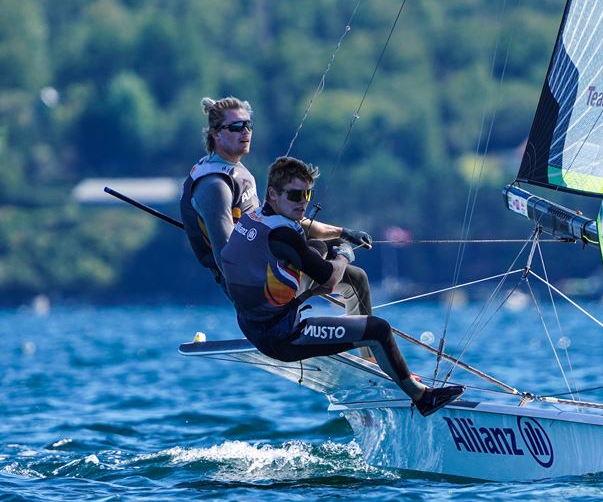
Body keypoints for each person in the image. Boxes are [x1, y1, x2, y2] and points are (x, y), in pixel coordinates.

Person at [221, 156, 465, 416]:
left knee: (354, 277)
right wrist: (344, 254)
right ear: (273, 193)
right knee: (378, 330)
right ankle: (423, 398)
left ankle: (370, 359)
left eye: (307, 193)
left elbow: (304, 225)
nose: (303, 202)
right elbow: (328, 279)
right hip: (281, 337)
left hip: (253, 320)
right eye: (295, 195)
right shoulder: (283, 236)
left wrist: (343, 233)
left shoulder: (256, 215)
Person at [178, 96, 374, 318]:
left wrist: (345, 232)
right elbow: (228, 262)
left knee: (342, 257)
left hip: (269, 262)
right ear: (216, 134)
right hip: (256, 284)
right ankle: (295, 329)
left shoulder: (236, 170)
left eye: (248, 125)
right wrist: (263, 315)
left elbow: (275, 222)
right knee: (333, 263)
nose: (245, 132)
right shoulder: (215, 186)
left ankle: (360, 345)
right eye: (236, 127)